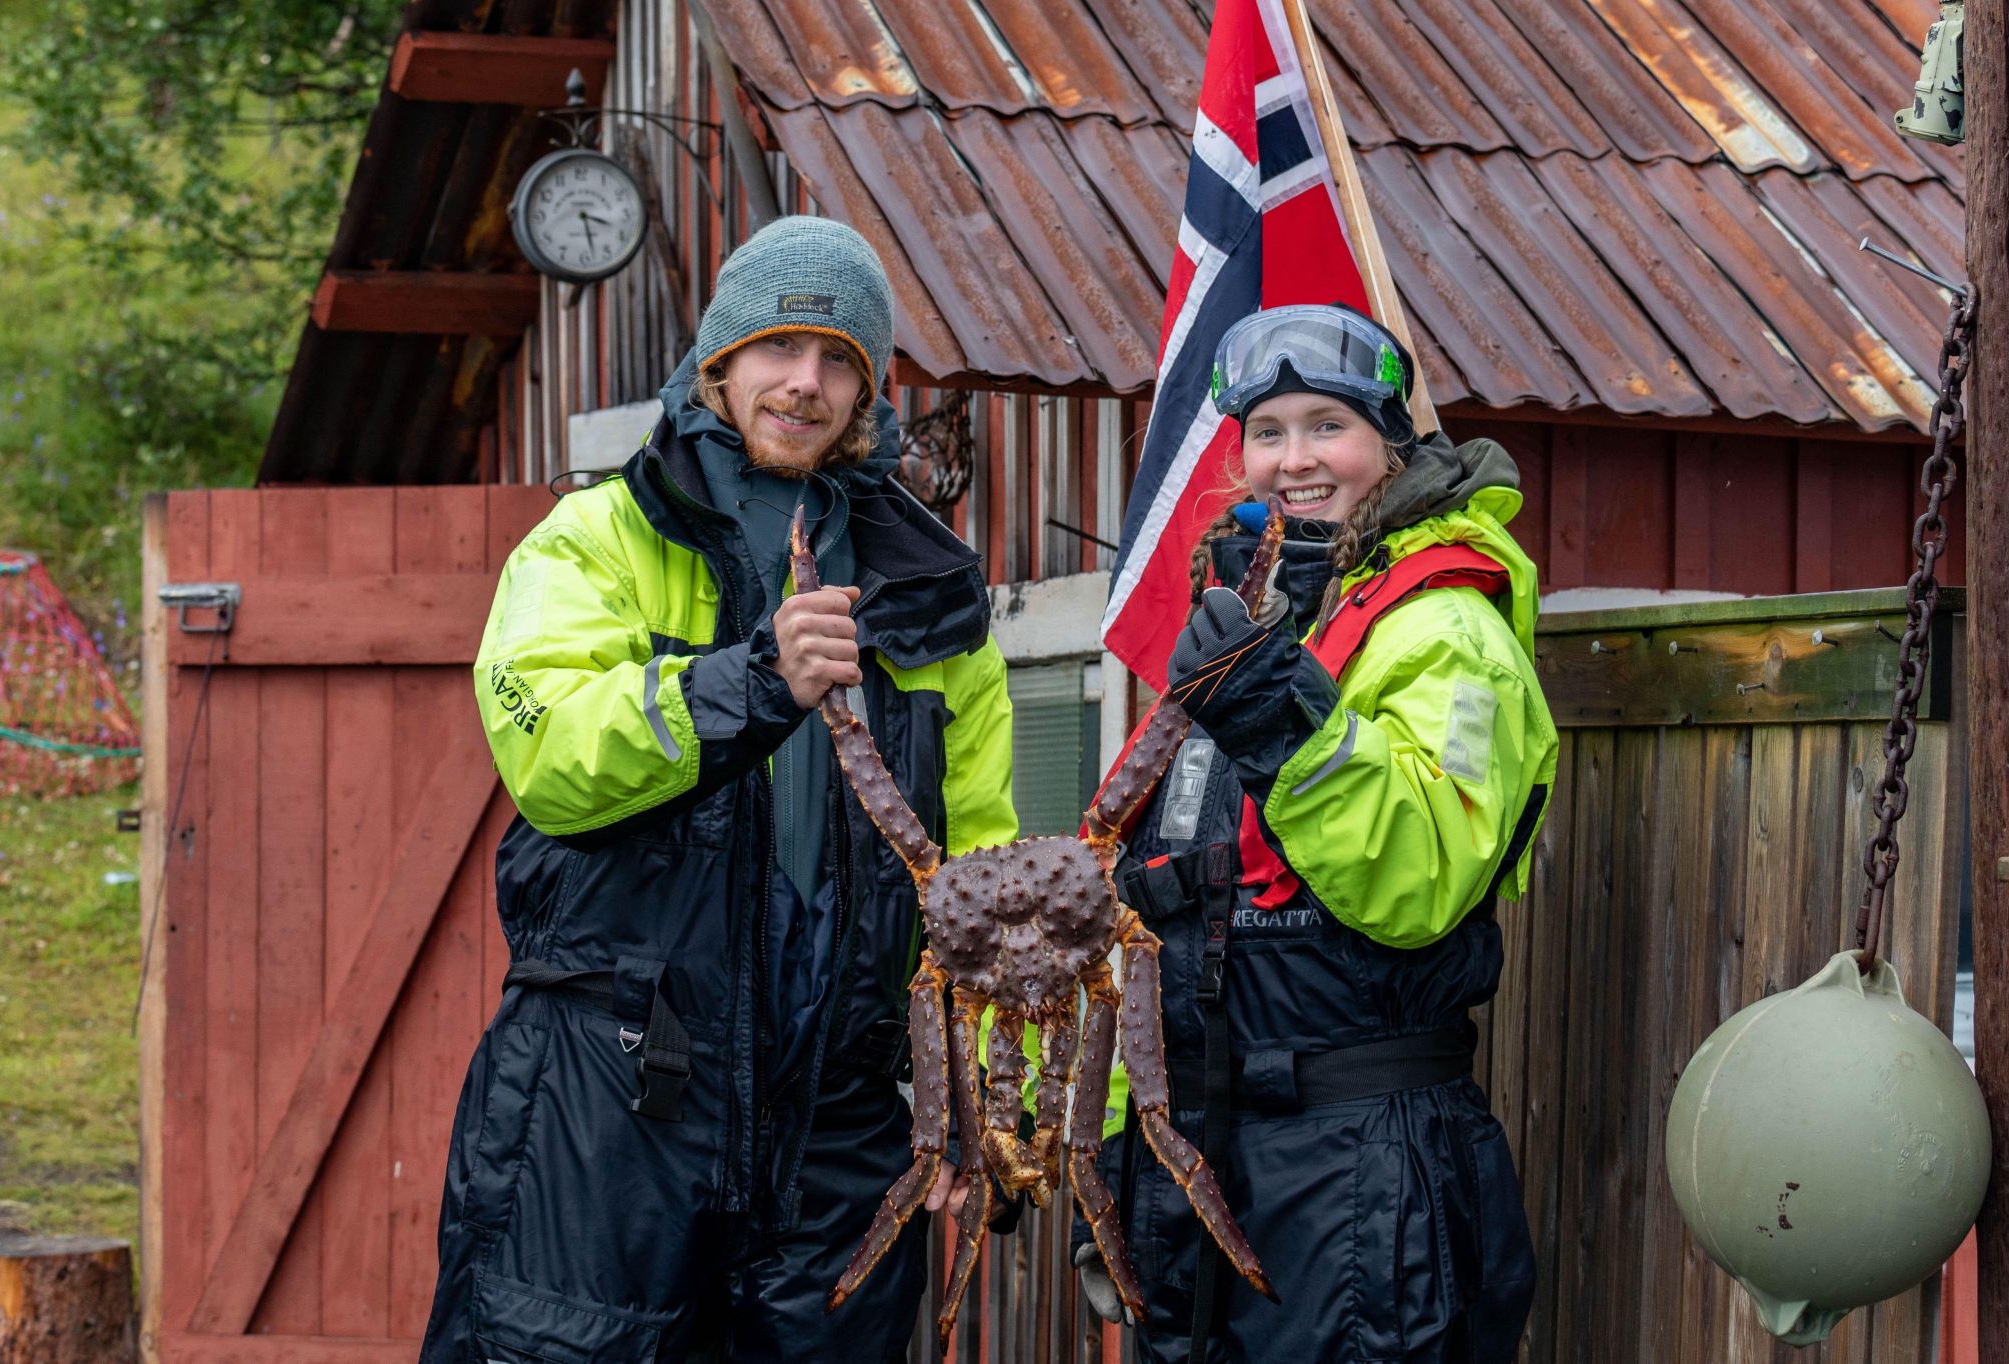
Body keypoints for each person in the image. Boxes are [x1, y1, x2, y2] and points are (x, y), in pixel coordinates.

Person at [420, 216, 1018, 1364]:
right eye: (778, 347)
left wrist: (994, 1094)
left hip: (839, 1125)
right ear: (719, 361)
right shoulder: (594, 538)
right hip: (608, 1104)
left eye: (838, 358)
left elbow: (979, 881)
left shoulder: (931, 596)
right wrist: (749, 682)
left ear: (866, 391)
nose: (805, 382)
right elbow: (551, 754)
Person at [1074, 303, 1558, 1362]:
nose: (1293, 460)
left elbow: (1422, 876)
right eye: (1267, 431)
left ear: (1390, 441)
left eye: (1326, 425)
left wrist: (1279, 723)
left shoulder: (1447, 629)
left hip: (1362, 1180)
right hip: (1198, 1166)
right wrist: (1111, 1147)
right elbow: (1151, 921)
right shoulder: (1246, 623)